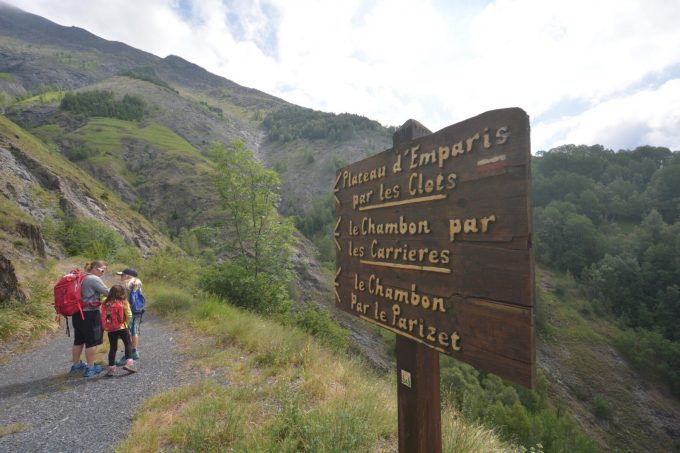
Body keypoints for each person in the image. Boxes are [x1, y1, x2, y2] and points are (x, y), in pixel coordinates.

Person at [70, 260, 108, 378]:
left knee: (79, 340)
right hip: (90, 314)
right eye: (102, 270)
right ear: (95, 268)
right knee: (92, 341)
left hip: (77, 313)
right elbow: (108, 292)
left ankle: (76, 366)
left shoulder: (79, 277)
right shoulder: (93, 279)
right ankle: (91, 368)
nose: (103, 273)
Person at [101, 284, 136, 376]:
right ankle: (129, 364)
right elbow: (129, 315)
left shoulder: (105, 302)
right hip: (122, 327)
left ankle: (111, 369)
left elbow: (104, 314)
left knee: (113, 348)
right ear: (122, 293)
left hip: (111, 329)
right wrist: (127, 324)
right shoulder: (123, 302)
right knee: (128, 344)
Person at [116, 267, 143, 363]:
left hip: (127, 311)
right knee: (135, 330)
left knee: (126, 332)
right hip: (138, 310)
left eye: (122, 275)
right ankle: (134, 351)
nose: (120, 277)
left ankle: (129, 355)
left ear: (127, 276)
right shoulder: (138, 282)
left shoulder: (125, 284)